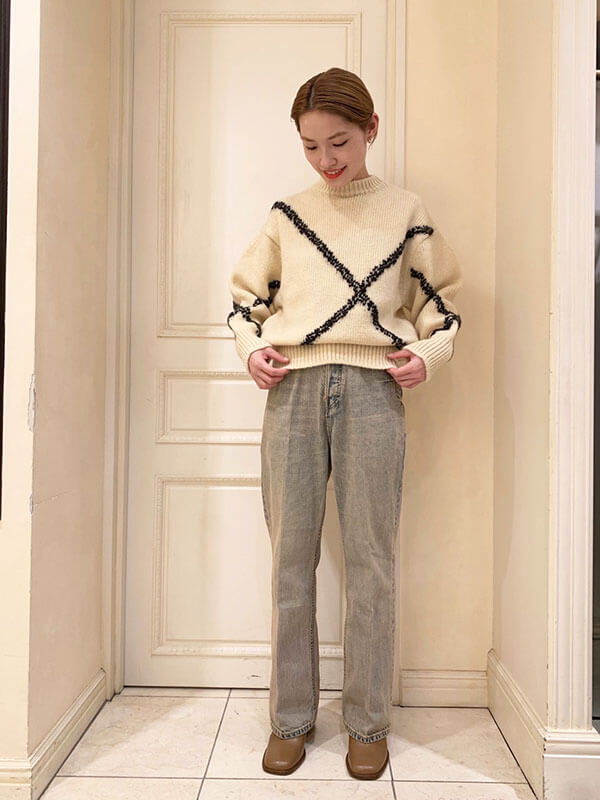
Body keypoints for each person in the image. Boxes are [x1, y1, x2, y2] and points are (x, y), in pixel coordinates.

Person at [226, 66, 462, 780]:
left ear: (371, 130)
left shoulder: (406, 211)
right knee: (290, 562)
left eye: (340, 142)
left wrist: (427, 354)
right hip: (293, 389)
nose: (326, 160)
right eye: (310, 146)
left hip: (372, 391)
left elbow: (441, 306)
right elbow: (245, 302)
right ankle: (291, 718)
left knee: (372, 564)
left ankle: (367, 722)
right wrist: (251, 350)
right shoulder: (287, 215)